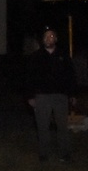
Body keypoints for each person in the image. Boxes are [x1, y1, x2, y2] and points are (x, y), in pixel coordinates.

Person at [26, 26, 76, 162]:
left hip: (60, 96)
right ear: (43, 40)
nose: (49, 38)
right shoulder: (36, 57)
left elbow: (71, 75)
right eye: (46, 36)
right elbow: (29, 78)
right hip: (42, 96)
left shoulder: (63, 56)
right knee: (43, 126)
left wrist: (72, 94)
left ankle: (65, 154)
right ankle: (44, 154)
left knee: (62, 126)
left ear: (56, 39)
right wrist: (30, 96)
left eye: (52, 36)